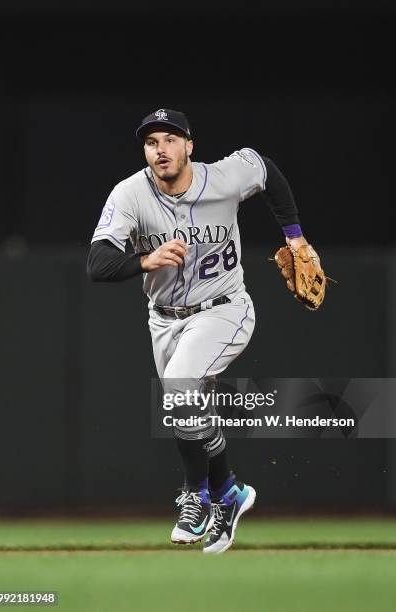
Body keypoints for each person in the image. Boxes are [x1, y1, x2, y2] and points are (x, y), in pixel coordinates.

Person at [87, 108, 308, 554]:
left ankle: (196, 494)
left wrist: (295, 237)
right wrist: (144, 260)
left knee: (179, 387)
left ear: (189, 145)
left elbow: (266, 170)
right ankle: (228, 493)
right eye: (151, 142)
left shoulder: (225, 176)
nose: (160, 149)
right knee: (185, 410)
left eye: (170, 139)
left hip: (224, 309)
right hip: (164, 319)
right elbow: (98, 264)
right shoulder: (129, 194)